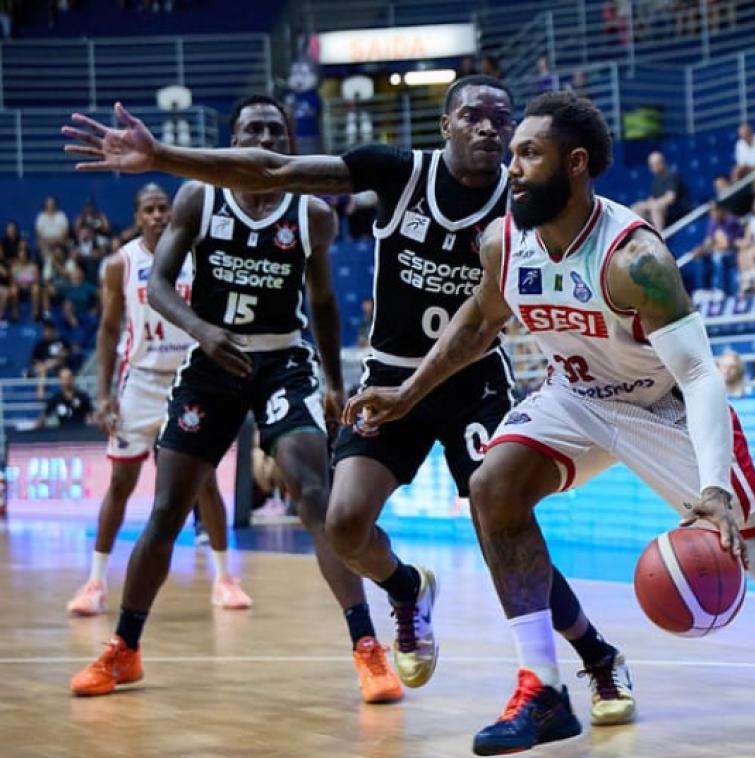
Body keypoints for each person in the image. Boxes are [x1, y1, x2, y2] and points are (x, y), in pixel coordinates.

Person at [342, 91, 755, 755]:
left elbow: (700, 376)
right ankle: (542, 687)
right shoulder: (504, 242)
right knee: (493, 487)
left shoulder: (635, 260)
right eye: (513, 153)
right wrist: (408, 392)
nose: (511, 168)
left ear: (575, 164)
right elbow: (478, 322)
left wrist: (714, 488)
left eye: (529, 154)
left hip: (660, 406)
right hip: (575, 397)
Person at [66, 79, 637, 724]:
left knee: (500, 526)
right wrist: (162, 156)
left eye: (500, 120)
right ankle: (406, 588)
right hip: (388, 377)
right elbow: (272, 170)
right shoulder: (397, 172)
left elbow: (585, 239)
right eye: (473, 116)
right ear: (445, 124)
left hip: (470, 380)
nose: (488, 128)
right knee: (342, 523)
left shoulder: (523, 197)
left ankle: (595, 656)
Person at [62, 95, 405, 704]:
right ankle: (124, 648)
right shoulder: (199, 197)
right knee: (168, 508)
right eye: (253, 130)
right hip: (211, 359)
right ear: (233, 139)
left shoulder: (312, 213)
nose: (265, 138)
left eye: (275, 130)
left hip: (283, 361)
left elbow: (323, 302)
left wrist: (333, 380)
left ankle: (366, 646)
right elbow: (159, 285)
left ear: (289, 143)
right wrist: (202, 331)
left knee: (315, 493)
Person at [65, 183, 250, 618]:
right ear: (137, 217)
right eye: (148, 209)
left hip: (191, 380)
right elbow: (108, 330)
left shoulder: (198, 255)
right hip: (141, 382)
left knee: (204, 480)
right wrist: (104, 395)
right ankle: (95, 582)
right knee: (121, 483)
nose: (157, 215)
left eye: (163, 207)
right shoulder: (121, 263)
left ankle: (225, 578)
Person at [631, 150, 688, 232]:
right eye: (651, 165)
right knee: (637, 208)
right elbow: (653, 198)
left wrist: (653, 204)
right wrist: (644, 205)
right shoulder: (656, 180)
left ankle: (660, 235)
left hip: (677, 211)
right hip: (664, 212)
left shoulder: (672, 176)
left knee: (656, 208)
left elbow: (670, 198)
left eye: (655, 164)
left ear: (662, 162)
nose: (652, 167)